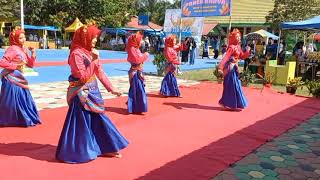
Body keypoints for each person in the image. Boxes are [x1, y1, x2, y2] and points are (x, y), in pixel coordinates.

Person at [56, 23, 128, 163]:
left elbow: (99, 72)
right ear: (85, 37)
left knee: (99, 120)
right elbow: (82, 77)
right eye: (93, 37)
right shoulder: (76, 54)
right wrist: (94, 61)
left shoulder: (91, 51)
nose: (95, 40)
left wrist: (111, 88)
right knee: (82, 124)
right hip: (81, 94)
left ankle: (106, 147)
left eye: (96, 37)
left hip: (94, 92)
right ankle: (79, 151)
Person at [0, 26, 41, 127]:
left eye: (24, 37)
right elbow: (2, 62)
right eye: (20, 38)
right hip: (10, 78)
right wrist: (15, 66)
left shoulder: (23, 49)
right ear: (15, 39)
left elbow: (30, 65)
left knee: (22, 99)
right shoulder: (12, 49)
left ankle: (21, 118)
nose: (23, 39)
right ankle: (10, 119)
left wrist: (33, 53)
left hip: (20, 78)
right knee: (12, 100)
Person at [218, 29, 251, 111]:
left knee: (236, 85)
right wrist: (220, 68)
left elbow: (242, 56)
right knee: (231, 86)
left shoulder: (238, 47)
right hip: (230, 69)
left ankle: (235, 104)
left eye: (239, 37)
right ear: (233, 38)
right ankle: (227, 103)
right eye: (237, 37)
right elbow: (225, 57)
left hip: (235, 69)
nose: (239, 38)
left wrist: (247, 51)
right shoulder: (232, 47)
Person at [126, 32, 149, 114]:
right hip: (135, 72)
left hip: (138, 71)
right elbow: (137, 60)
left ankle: (137, 106)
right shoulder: (132, 49)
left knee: (138, 89)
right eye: (140, 39)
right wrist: (145, 56)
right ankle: (135, 107)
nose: (141, 41)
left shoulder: (136, 49)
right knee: (137, 89)